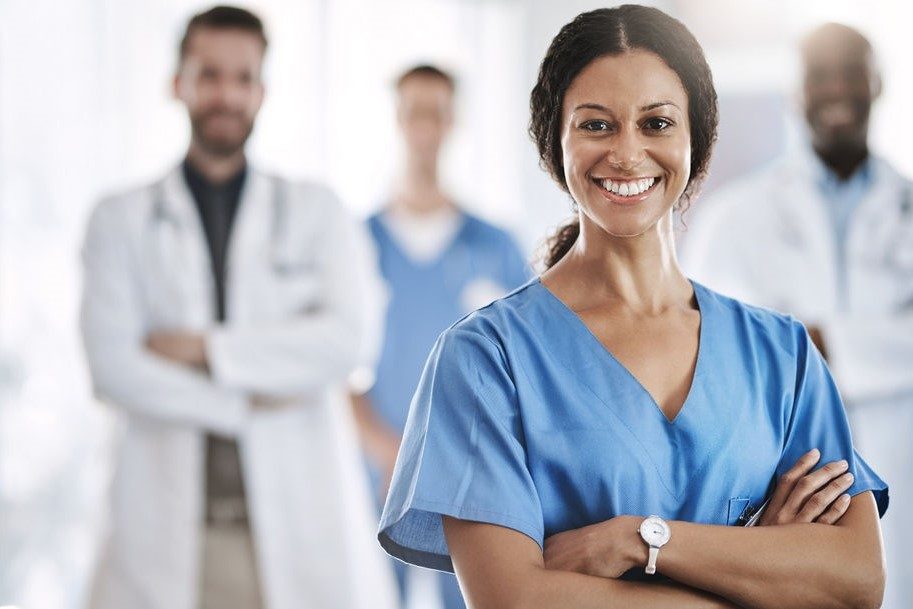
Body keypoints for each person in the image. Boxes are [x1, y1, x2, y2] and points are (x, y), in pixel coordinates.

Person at [377, 6, 888, 609]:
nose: (626, 153)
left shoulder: (782, 355)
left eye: (657, 123)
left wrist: (641, 542)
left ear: (696, 137)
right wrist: (760, 576)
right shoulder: (486, 360)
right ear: (553, 141)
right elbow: (513, 601)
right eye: (596, 125)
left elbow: (857, 580)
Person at [80, 6, 396, 609]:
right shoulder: (120, 220)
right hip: (166, 530)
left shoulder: (318, 212)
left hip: (296, 522)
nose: (226, 94)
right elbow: (111, 366)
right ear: (178, 83)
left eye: (241, 78)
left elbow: (348, 343)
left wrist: (203, 350)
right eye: (210, 74)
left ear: (262, 90)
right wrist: (248, 398)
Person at [681, 22, 910, 609]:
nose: (836, 88)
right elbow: (708, 354)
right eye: (819, 75)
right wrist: (851, 345)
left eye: (851, 71)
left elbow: (775, 349)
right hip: (779, 480)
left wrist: (818, 341)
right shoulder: (734, 220)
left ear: (878, 84)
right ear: (794, 93)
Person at [351, 64, 529, 609]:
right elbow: (333, 367)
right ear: (397, 120)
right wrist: (388, 453)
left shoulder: (495, 245)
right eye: (414, 112)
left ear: (454, 121)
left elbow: (522, 370)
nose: (426, 126)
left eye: (437, 112)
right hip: (376, 470)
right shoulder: (357, 245)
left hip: (469, 474)